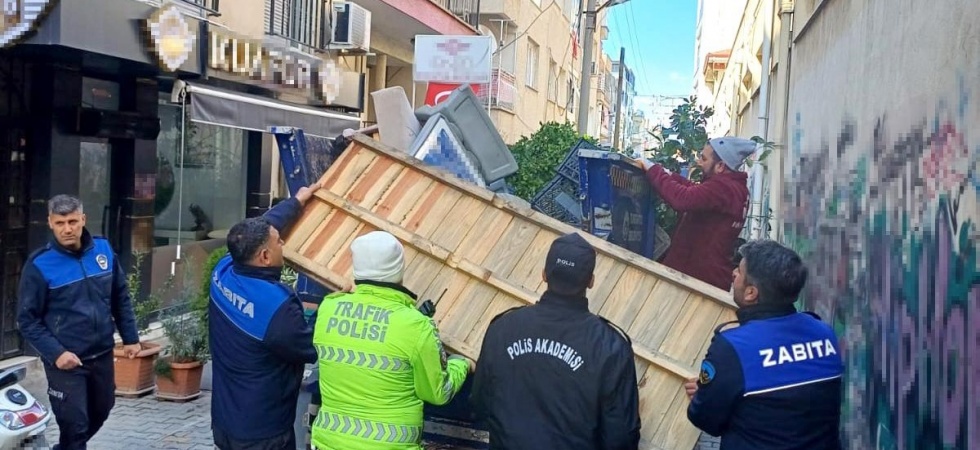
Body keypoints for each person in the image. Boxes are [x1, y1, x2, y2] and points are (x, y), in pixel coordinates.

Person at [471, 232, 641, 450]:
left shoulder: (503, 328)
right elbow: (621, 438)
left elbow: (480, 404)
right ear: (591, 281)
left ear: (544, 274)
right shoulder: (611, 346)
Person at [311, 231, 473, 450]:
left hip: (329, 443)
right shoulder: (415, 325)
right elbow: (438, 392)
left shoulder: (329, 308)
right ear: (398, 270)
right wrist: (460, 363)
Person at [685, 240, 844, 449]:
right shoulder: (824, 333)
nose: (733, 273)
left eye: (740, 271)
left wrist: (705, 393)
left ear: (751, 293)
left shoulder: (733, 347)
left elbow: (706, 420)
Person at [17, 195, 141, 450]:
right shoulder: (40, 264)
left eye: (73, 221)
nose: (68, 228)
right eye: (60, 222)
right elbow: (27, 321)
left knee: (103, 410)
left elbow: (121, 296)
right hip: (66, 363)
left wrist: (131, 338)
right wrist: (57, 354)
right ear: (50, 223)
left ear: (83, 219)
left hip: (102, 354)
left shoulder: (103, 250)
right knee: (75, 425)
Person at [209, 182, 322, 450]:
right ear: (264, 256)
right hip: (263, 433)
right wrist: (338, 300)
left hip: (225, 423)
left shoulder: (223, 271)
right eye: (279, 242)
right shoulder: (275, 308)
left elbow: (262, 225)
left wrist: (297, 202)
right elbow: (312, 346)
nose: (283, 243)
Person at [639, 137, 755, 290]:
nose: (699, 162)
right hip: (708, 278)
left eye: (704, 158)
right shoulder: (736, 189)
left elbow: (683, 199)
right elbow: (696, 192)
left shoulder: (723, 187)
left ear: (720, 166)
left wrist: (654, 171)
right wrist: (669, 175)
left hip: (697, 281)